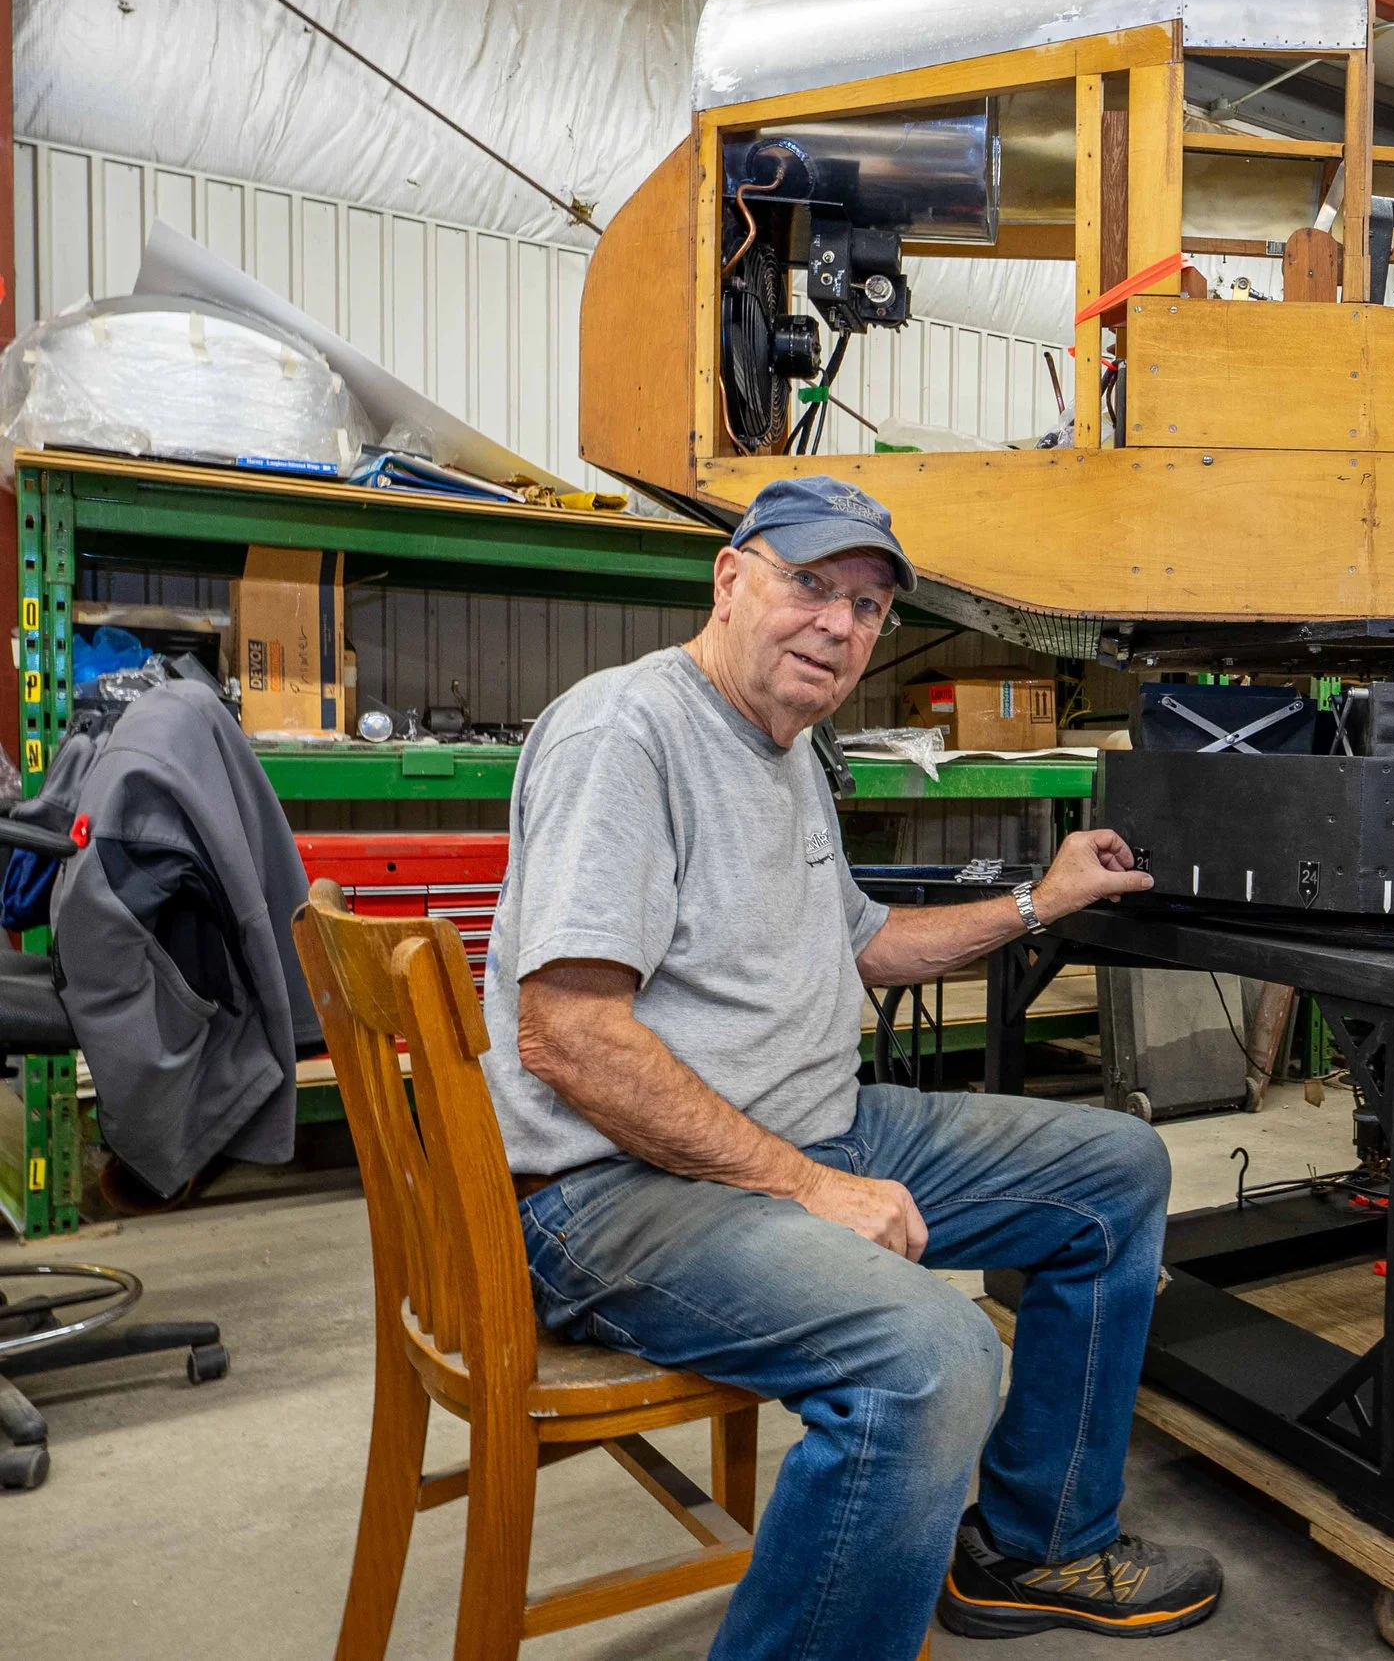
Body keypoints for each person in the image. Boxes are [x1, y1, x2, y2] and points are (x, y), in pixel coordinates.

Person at [479, 477, 1219, 1660]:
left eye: (868, 605)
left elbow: (865, 943)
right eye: (809, 584)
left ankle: (1032, 1547)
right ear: (729, 578)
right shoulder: (627, 731)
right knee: (930, 1359)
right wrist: (809, 1186)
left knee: (1114, 1168)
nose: (839, 623)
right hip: (613, 1189)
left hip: (803, 1126)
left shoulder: (786, 746)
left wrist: (1043, 898)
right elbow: (566, 1034)